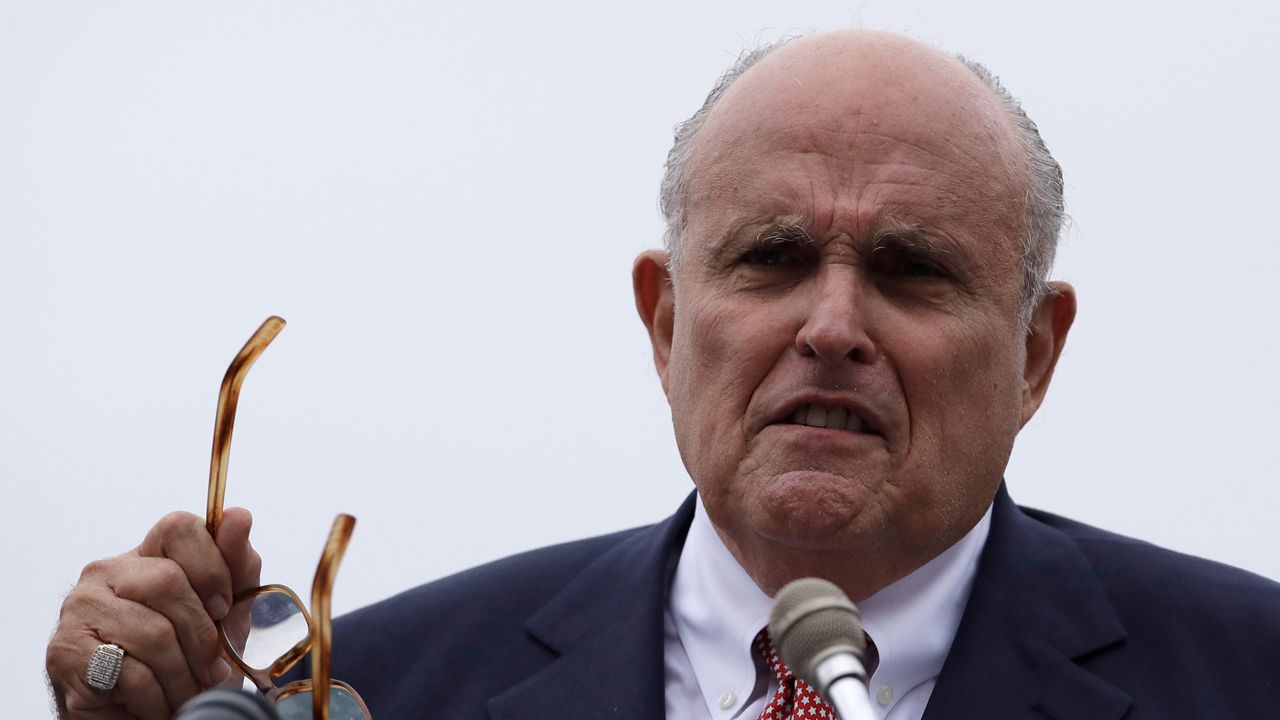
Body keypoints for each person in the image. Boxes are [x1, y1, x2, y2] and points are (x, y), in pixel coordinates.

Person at [45, 29, 1280, 720]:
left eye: (908, 272)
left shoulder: (1241, 674)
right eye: (772, 260)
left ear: (1031, 356)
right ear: (662, 320)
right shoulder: (367, 697)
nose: (832, 326)